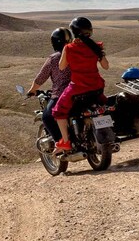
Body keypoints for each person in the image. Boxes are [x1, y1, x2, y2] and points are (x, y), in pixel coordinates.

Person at [52, 16, 110, 153]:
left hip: (77, 88)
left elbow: (61, 67)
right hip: (97, 86)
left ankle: (65, 141)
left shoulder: (69, 48)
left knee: (58, 111)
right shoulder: (96, 47)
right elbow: (106, 66)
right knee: (102, 105)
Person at [26, 27, 72, 145]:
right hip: (81, 89)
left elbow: (41, 78)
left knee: (47, 117)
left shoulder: (54, 58)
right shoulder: (76, 53)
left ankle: (61, 143)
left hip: (62, 93)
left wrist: (31, 91)